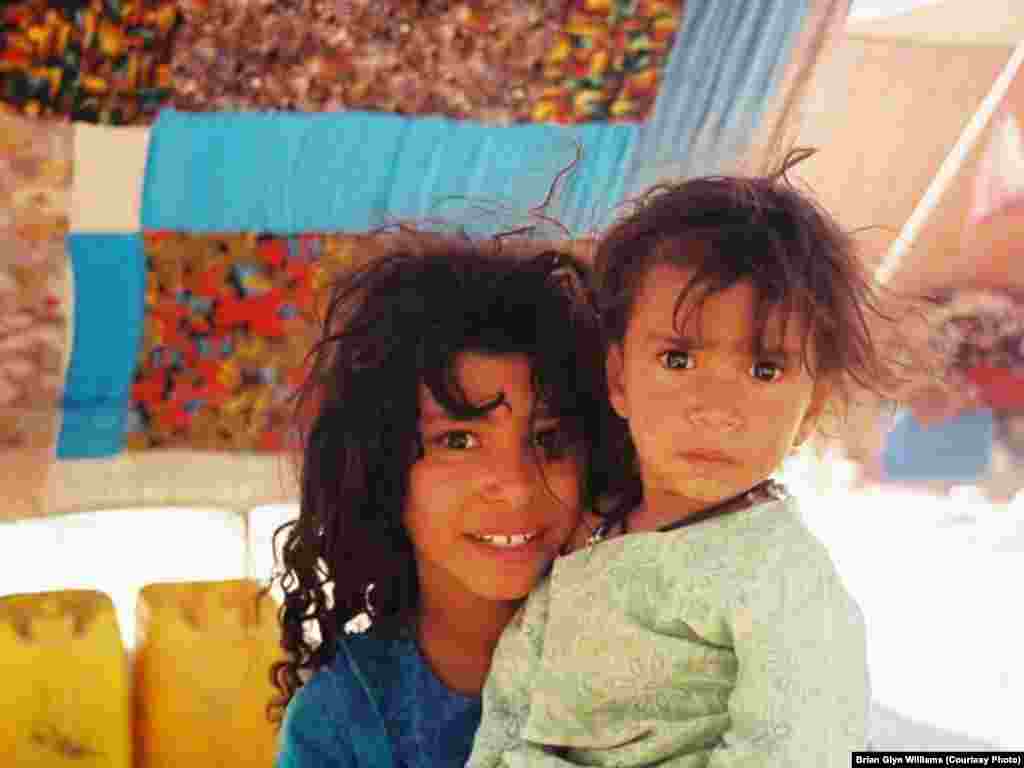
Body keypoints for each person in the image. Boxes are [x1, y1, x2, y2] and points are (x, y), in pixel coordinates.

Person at [467, 150, 899, 767]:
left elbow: (801, 748)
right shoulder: (591, 529)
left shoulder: (781, 578)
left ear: (809, 409)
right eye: (678, 360)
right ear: (618, 378)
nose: (716, 407)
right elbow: (512, 697)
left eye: (763, 368)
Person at [270, 231, 614, 768]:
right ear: (379, 469)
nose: (517, 484)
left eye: (548, 440)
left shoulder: (659, 656)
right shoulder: (343, 725)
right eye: (458, 441)